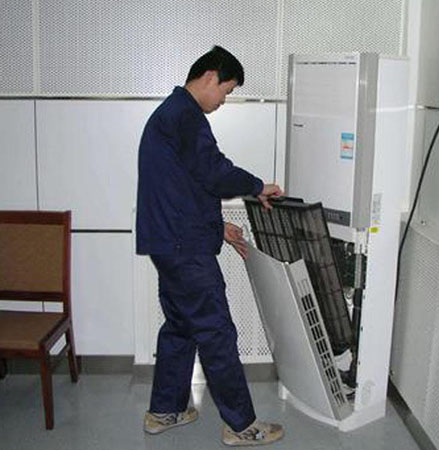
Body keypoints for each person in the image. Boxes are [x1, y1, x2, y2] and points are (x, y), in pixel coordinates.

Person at [136, 45, 284, 446]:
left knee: (181, 326)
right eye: (226, 91)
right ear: (210, 77)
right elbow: (213, 172)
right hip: (185, 249)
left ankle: (165, 410)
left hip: (170, 242)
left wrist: (217, 227)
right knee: (216, 331)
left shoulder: (170, 114)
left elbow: (183, 187)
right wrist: (257, 187)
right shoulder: (186, 115)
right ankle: (242, 425)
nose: (223, 101)